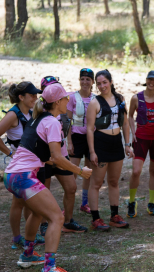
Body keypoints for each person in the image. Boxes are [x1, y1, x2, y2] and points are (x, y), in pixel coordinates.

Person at [3, 82, 92, 272]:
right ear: (59, 101)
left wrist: (69, 167)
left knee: (38, 213)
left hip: (12, 176)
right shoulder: (52, 122)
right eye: (66, 98)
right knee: (56, 217)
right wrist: (80, 171)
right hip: (24, 177)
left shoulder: (39, 118)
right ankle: (49, 268)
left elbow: (51, 158)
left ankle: (27, 255)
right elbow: (58, 157)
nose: (69, 100)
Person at [0, 81, 45, 248]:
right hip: (20, 166)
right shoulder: (13, 115)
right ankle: (16, 239)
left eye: (37, 95)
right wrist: (10, 154)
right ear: (21, 97)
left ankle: (31, 235)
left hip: (32, 164)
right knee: (19, 202)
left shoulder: (30, 111)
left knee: (30, 201)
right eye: (32, 95)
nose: (35, 98)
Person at [39, 76, 87, 235]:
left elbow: (66, 130)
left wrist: (70, 143)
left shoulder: (61, 110)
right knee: (44, 191)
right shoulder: (40, 114)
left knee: (71, 187)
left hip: (61, 154)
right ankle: (44, 223)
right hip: (45, 158)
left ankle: (68, 221)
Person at [86, 69, 133, 231]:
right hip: (101, 143)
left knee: (114, 181)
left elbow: (125, 123)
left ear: (110, 82)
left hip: (116, 143)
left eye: (104, 82)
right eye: (98, 83)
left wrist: (127, 144)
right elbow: (90, 129)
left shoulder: (120, 99)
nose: (102, 86)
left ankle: (115, 215)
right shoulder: (95, 102)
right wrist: (92, 152)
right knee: (97, 183)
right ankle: (96, 218)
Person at [128, 70, 154, 217]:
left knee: (153, 171)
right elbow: (130, 117)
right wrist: (133, 133)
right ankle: (132, 202)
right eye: (149, 79)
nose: (152, 82)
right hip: (141, 139)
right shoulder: (136, 98)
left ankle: (151, 203)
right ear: (146, 80)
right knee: (136, 171)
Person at [67, 68, 96, 214]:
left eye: (88, 79)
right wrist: (69, 142)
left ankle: (85, 203)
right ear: (79, 80)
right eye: (82, 79)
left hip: (91, 139)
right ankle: (68, 204)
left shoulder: (96, 98)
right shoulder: (73, 97)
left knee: (88, 172)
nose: (85, 82)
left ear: (92, 82)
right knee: (72, 171)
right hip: (77, 138)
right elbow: (67, 122)